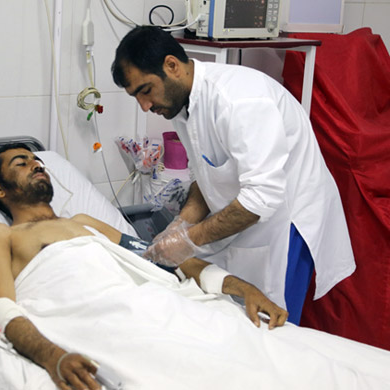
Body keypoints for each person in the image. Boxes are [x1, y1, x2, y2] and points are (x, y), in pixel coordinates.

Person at [0, 143, 288, 390]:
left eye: (37, 161)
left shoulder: (84, 223)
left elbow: (159, 259)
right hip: (102, 320)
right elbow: (1, 308)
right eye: (21, 163)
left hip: (153, 304)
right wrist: (53, 356)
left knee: (272, 361)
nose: (36, 165)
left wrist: (241, 287)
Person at [111, 26, 356, 325]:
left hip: (286, 223)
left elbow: (263, 197)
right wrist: (181, 222)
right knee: (236, 318)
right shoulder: (181, 107)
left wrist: (189, 239)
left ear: (171, 66)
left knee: (274, 325)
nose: (145, 106)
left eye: (145, 91)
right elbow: (208, 172)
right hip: (247, 217)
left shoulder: (239, 101)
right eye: (136, 97)